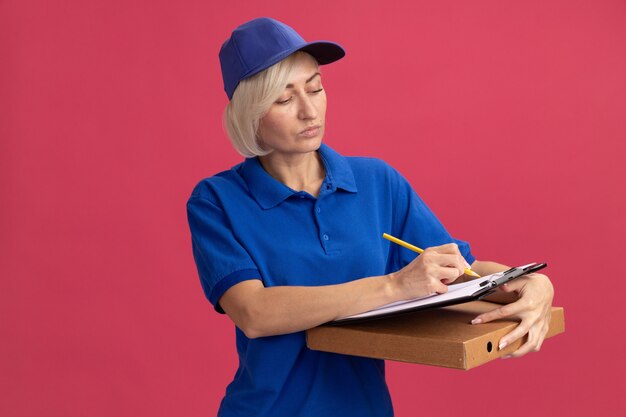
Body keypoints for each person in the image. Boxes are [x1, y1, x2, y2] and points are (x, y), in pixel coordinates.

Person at [187, 17, 554, 417]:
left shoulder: (377, 181)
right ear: (250, 113)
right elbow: (255, 313)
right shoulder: (216, 200)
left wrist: (531, 283)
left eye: (316, 87)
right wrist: (395, 285)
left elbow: (460, 273)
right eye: (284, 99)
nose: (310, 110)